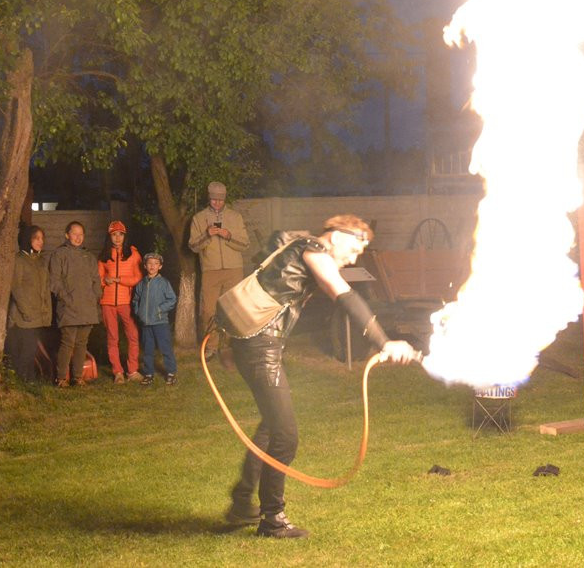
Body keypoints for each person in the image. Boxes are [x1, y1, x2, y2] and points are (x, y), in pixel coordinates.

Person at [222, 214, 416, 539]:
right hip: (260, 347)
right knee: (285, 436)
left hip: (254, 343)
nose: (354, 258)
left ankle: (243, 502)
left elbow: (264, 284)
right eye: (354, 249)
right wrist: (384, 341)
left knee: (272, 425)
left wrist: (231, 344)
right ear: (337, 237)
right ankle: (272, 519)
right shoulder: (313, 249)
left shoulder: (294, 244)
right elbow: (343, 294)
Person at [189, 181, 250, 338]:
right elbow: (193, 246)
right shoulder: (199, 218)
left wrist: (229, 235)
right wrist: (207, 235)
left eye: (220, 199)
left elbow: (245, 244)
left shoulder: (235, 217)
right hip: (210, 270)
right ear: (209, 199)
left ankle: (231, 344)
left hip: (234, 270)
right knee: (209, 310)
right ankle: (211, 346)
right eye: (214, 199)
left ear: (225, 199)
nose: (217, 203)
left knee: (234, 309)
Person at [49, 221, 102, 387]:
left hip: (87, 308)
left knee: (81, 344)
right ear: (67, 235)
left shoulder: (89, 256)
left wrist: (95, 297)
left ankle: (78, 377)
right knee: (67, 343)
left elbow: (96, 280)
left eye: (81, 234)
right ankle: (61, 377)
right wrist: (66, 298)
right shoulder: (59, 254)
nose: (78, 237)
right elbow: (54, 281)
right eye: (74, 233)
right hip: (69, 308)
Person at [97, 220, 143, 384]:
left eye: (120, 235)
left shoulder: (132, 253)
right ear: (109, 236)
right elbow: (98, 278)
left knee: (133, 336)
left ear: (125, 236)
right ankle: (118, 372)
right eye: (114, 235)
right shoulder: (104, 255)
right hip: (107, 302)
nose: (117, 238)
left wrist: (118, 279)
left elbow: (137, 278)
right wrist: (105, 281)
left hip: (126, 301)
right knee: (112, 337)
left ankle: (132, 370)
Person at [4, 225, 52, 382]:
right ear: (27, 239)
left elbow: (45, 287)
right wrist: (25, 310)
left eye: (42, 239)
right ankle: (23, 378)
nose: (40, 242)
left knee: (31, 349)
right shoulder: (19, 260)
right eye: (36, 238)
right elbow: (15, 287)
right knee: (25, 349)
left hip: (38, 313)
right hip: (23, 316)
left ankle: (29, 377)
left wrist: (45, 309)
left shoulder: (41, 261)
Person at [131, 253, 178, 386]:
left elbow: (172, 299)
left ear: (160, 266)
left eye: (155, 263)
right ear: (145, 266)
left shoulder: (164, 283)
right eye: (149, 263)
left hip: (160, 323)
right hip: (146, 324)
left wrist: (159, 309)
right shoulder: (142, 283)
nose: (152, 266)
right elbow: (136, 299)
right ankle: (148, 373)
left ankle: (171, 372)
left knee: (165, 348)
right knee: (148, 349)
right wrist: (138, 312)